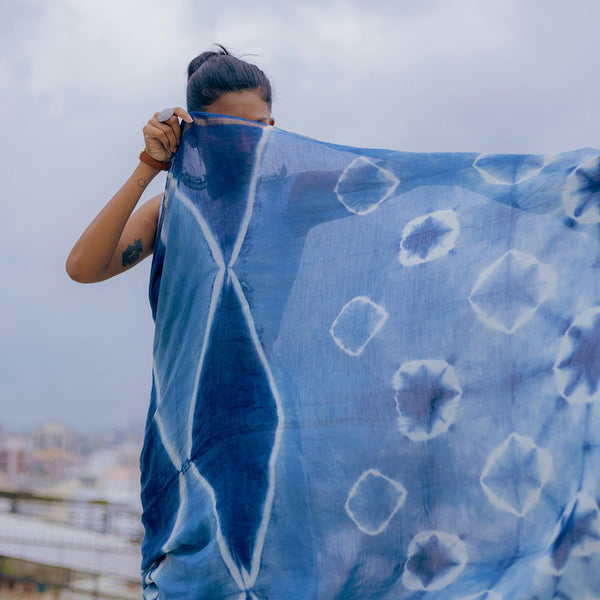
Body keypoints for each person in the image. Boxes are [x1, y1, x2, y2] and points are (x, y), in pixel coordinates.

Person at [66, 45, 275, 283]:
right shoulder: (173, 209)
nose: (245, 143)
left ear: (272, 126)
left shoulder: (294, 194)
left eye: (257, 127)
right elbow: (81, 268)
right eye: (228, 130)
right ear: (196, 135)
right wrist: (150, 163)